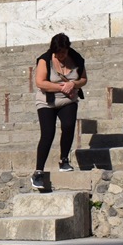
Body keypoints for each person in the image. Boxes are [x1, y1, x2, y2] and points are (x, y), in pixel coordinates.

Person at [31, 33, 88, 193]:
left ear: (68, 49)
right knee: (48, 133)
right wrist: (63, 87)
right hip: (47, 101)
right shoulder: (45, 60)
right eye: (58, 53)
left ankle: (64, 159)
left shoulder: (77, 59)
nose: (61, 56)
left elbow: (83, 79)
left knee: (69, 125)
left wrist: (74, 84)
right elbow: (40, 83)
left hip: (68, 99)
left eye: (63, 52)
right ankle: (38, 172)